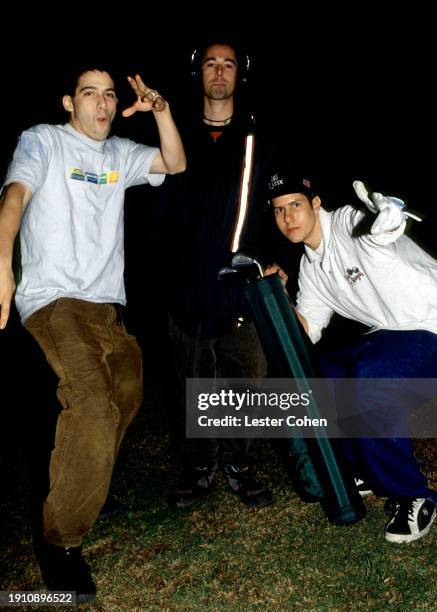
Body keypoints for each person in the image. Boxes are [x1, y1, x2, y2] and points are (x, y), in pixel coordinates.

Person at [0, 66, 185, 601]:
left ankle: (89, 484)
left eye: (109, 96)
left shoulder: (122, 153)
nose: (102, 105)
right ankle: (60, 542)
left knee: (126, 398)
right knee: (91, 402)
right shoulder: (44, 141)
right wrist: (4, 264)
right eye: (90, 94)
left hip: (109, 308)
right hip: (56, 302)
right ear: (68, 102)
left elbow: (175, 162)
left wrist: (161, 111)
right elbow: (14, 195)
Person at [266, 170, 437, 543]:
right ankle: (363, 468)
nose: (288, 217)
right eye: (279, 210)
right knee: (321, 374)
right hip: (394, 335)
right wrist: (275, 295)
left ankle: (412, 493)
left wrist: (387, 222)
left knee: (369, 377)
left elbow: (379, 232)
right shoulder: (311, 267)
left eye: (295, 205)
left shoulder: (346, 222)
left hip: (430, 324)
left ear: (315, 204)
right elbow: (306, 332)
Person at [166, 39, 277, 509]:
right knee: (194, 378)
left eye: (228, 65)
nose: (218, 72)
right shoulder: (174, 134)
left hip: (242, 282)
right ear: (199, 72)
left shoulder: (259, 134)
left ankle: (239, 463)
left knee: (247, 375)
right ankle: (199, 465)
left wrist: (275, 261)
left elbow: (280, 199)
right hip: (187, 280)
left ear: (240, 75)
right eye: (210, 63)